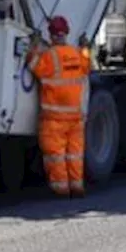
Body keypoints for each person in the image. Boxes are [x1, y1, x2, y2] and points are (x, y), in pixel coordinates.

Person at [26, 14, 90, 197]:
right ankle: (77, 187)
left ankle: (61, 189)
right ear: (67, 33)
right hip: (75, 117)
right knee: (75, 154)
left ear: (51, 34)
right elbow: (87, 65)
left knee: (56, 155)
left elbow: (33, 64)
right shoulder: (76, 54)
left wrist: (35, 45)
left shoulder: (49, 57)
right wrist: (85, 47)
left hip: (54, 119)